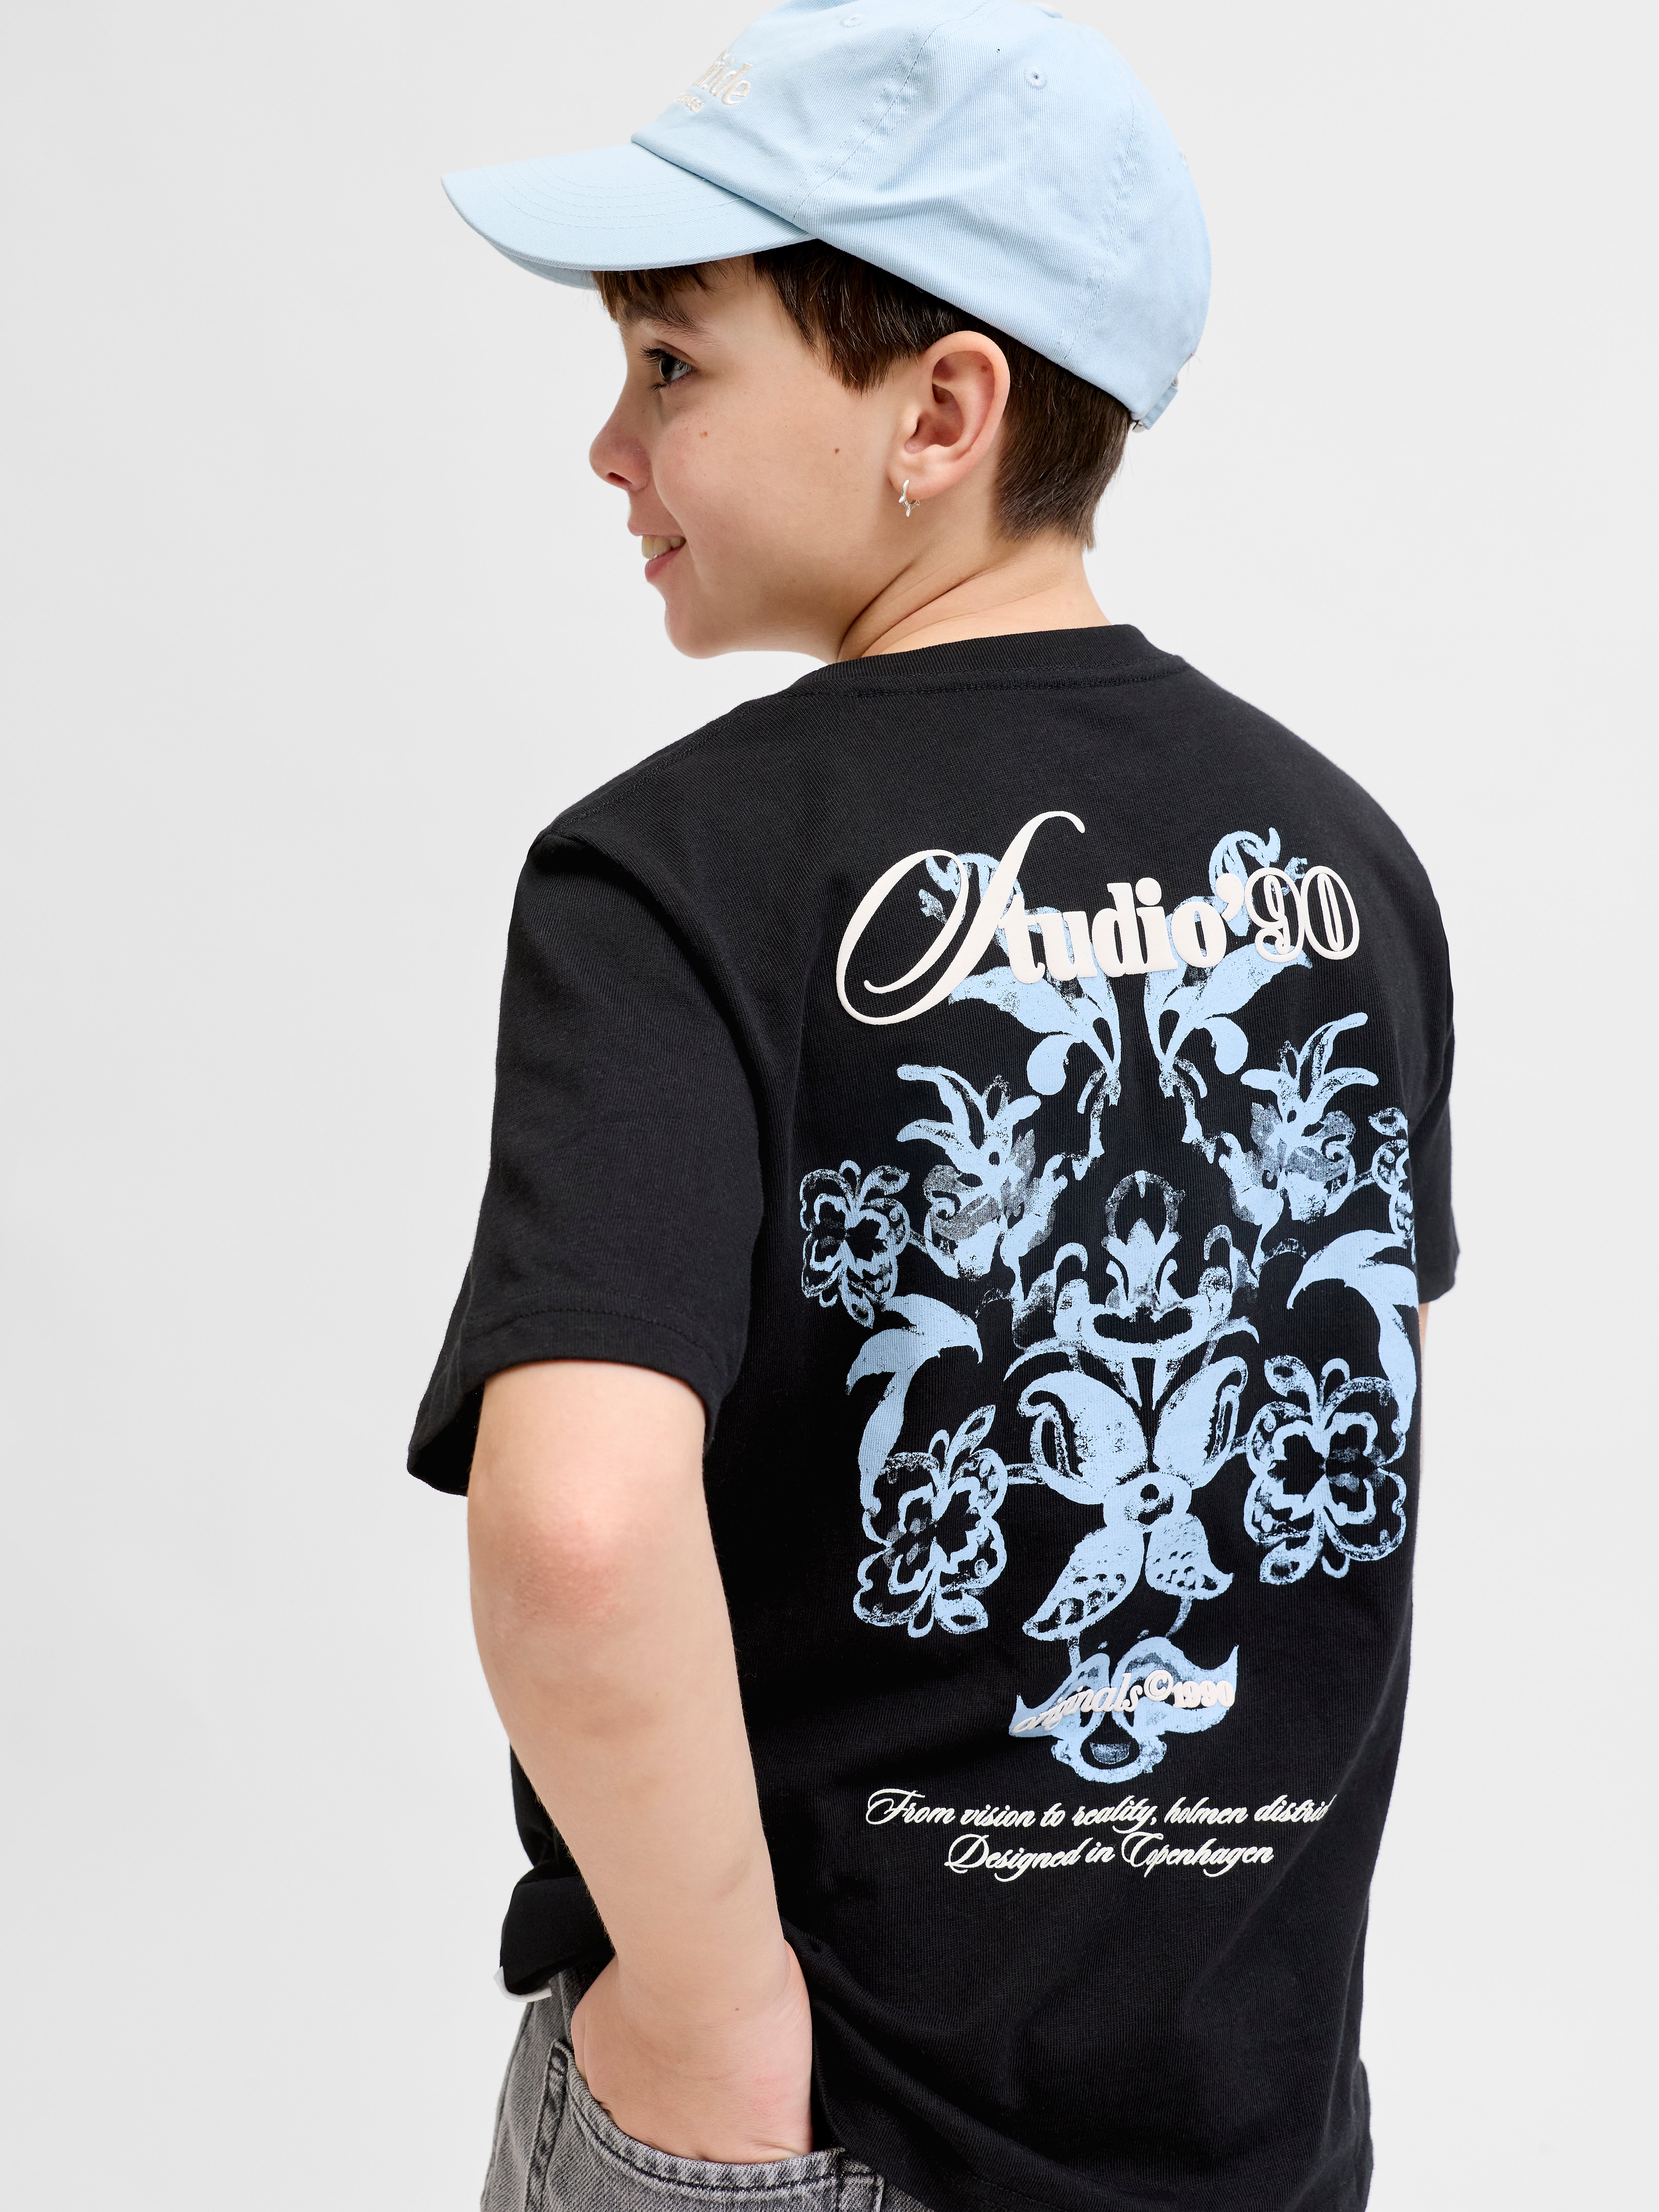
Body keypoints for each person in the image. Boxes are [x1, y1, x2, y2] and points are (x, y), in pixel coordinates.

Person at [409, 6, 1456, 2209]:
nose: (610, 444)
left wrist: (717, 2038)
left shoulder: (672, 879)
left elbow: (577, 1532)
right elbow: (1331, 1501)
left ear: (943, 413)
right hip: (1254, 2147)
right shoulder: (1350, 867)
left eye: (671, 365)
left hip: (817, 2129)